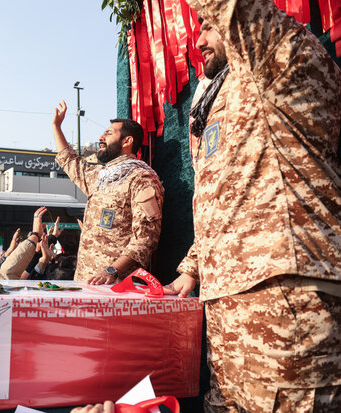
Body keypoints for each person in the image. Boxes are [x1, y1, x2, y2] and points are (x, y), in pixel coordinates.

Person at [163, 0, 341, 411]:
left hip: (286, 305)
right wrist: (194, 267)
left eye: (208, 26)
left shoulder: (278, 60)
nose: (198, 41)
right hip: (225, 308)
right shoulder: (221, 98)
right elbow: (224, 194)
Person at [52, 101, 164, 285]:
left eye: (109, 133)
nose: (101, 137)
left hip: (117, 286)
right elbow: (69, 160)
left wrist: (112, 270)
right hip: (85, 283)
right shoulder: (99, 176)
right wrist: (57, 127)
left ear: (127, 141)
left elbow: (145, 238)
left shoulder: (142, 179)